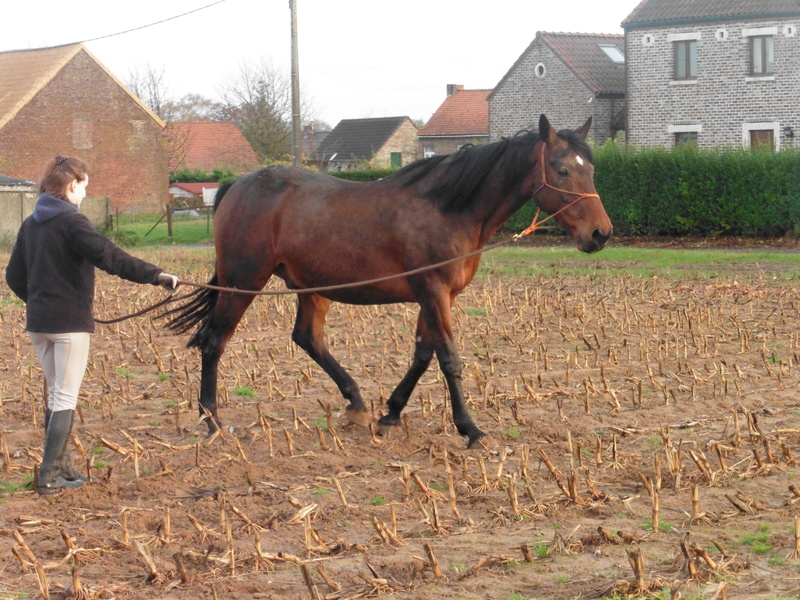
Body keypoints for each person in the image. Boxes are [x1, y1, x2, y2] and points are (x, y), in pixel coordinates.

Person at [5, 156, 179, 495]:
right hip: (69, 325)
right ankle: (48, 476)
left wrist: (40, 303)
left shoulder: (31, 224)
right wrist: (156, 275)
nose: (85, 193)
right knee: (65, 396)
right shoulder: (73, 222)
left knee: (57, 395)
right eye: (84, 187)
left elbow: (13, 277)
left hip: (39, 325)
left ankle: (63, 467)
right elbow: (111, 257)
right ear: (72, 185)